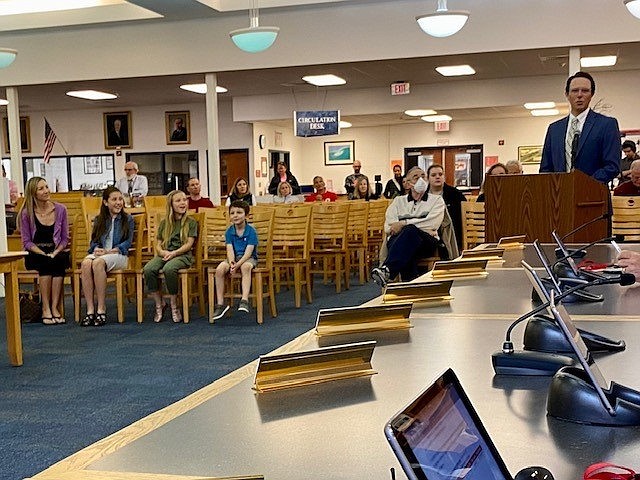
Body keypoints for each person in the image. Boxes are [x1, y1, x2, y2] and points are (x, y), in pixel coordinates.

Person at [539, 71, 620, 184]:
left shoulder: (606, 125)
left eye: (585, 91)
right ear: (567, 94)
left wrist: (583, 184)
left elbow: (612, 166)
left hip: (593, 195)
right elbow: (545, 169)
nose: (580, 95)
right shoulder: (554, 129)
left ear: (592, 94)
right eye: (575, 90)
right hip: (560, 196)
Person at [371, 166, 445, 286]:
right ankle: (410, 285)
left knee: (409, 231)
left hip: (426, 242)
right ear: (408, 183)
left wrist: (403, 223)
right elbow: (390, 227)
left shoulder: (436, 200)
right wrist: (415, 225)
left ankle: (387, 270)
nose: (421, 180)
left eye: (423, 177)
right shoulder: (398, 201)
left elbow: (432, 223)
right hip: (399, 241)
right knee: (407, 243)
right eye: (416, 178)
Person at [80, 186, 135, 327]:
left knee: (98, 263)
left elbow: (127, 243)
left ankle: (101, 309)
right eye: (114, 199)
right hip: (102, 255)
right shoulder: (99, 219)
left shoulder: (127, 219)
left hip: (119, 255)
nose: (118, 202)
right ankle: (90, 310)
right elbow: (93, 241)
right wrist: (96, 249)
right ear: (105, 202)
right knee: (86, 264)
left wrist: (111, 251)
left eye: (120, 199)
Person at [19, 176, 70, 325]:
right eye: (41, 189)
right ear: (33, 193)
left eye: (46, 187)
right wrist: (42, 253)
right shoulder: (26, 214)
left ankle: (54, 307)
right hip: (36, 252)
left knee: (59, 261)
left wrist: (55, 252)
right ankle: (46, 308)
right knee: (46, 263)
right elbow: (26, 242)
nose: (46, 191)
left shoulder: (61, 209)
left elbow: (64, 239)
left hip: (56, 250)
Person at [143, 190, 198, 323]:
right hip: (165, 254)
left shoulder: (191, 222)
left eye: (184, 200)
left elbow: (189, 244)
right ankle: (159, 304)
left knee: (169, 269)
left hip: (182, 255)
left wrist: (174, 253)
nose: (182, 203)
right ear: (171, 204)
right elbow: (158, 244)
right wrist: (161, 252)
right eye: (178, 201)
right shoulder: (164, 223)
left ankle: (174, 305)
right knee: (149, 269)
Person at [211, 200, 259, 321]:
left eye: (239, 212)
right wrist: (232, 262)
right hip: (233, 258)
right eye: (232, 213)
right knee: (220, 269)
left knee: (245, 267)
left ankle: (244, 300)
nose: (235, 215)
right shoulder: (229, 232)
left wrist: (237, 265)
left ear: (246, 215)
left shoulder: (251, 231)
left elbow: (248, 253)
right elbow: (229, 250)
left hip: (248, 258)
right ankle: (220, 304)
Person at [426, 164, 466, 250]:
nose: (437, 177)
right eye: (433, 175)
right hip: (428, 233)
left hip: (452, 233)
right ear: (428, 178)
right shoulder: (422, 195)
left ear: (444, 177)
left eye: (440, 174)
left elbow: (462, 219)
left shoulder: (456, 194)